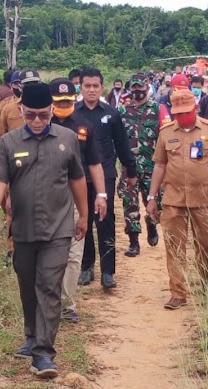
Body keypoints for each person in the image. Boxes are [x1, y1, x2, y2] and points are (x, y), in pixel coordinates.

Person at [0, 82, 88, 379]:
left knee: (49, 287)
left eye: (44, 115)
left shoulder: (67, 139)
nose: (38, 121)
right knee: (28, 285)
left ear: (53, 110)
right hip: (23, 229)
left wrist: (84, 216)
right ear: (21, 111)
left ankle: (44, 353)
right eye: (31, 115)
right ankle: (31, 334)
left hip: (58, 227)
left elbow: (77, 179)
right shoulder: (8, 142)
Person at [146, 89, 208, 309]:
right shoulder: (166, 131)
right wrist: (152, 196)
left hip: (205, 197)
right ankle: (178, 292)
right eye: (177, 113)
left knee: (206, 244)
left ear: (195, 108)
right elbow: (160, 164)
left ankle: (207, 284)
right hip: (174, 198)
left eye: (186, 112)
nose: (182, 117)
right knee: (174, 246)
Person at [49, 77, 107, 323]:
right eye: (58, 100)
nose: (63, 104)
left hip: (77, 197)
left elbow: (94, 163)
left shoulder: (84, 127)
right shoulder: (40, 123)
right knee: (51, 252)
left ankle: (66, 302)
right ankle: (48, 299)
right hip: (47, 198)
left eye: (67, 100)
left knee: (74, 254)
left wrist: (102, 195)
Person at [75, 67, 137, 288]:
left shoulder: (111, 113)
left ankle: (108, 272)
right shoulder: (73, 113)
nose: (91, 90)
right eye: (87, 86)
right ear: (80, 87)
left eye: (95, 86)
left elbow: (121, 144)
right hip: (79, 176)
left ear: (102, 87)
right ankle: (86, 266)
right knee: (83, 219)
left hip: (106, 174)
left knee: (105, 220)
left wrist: (131, 170)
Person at [0, 69, 42, 264]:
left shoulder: (47, 107)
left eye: (33, 84)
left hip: (40, 164)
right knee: (11, 207)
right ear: (18, 85)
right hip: (15, 167)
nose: (29, 88)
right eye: (26, 84)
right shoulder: (8, 109)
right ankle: (12, 248)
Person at [118, 73, 163, 257]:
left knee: (155, 202)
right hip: (130, 167)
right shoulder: (122, 111)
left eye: (140, 87)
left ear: (147, 87)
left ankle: (152, 224)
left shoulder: (157, 109)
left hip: (152, 167)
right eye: (134, 88)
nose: (137, 91)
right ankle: (134, 241)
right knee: (130, 204)